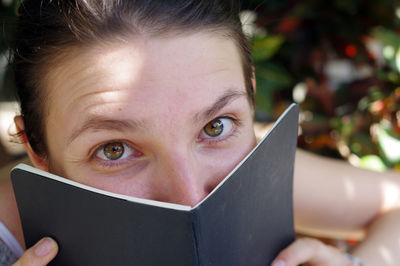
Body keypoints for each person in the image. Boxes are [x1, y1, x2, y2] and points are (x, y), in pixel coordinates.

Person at [0, 0, 399, 265]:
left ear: (250, 95)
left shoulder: (246, 164)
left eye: (215, 125)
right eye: (115, 149)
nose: (189, 196)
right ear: (38, 149)